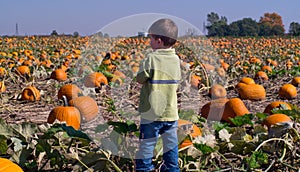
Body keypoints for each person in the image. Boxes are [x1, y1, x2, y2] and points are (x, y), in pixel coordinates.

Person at [135, 18, 181, 172]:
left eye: (151, 38)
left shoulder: (151, 58)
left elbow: (141, 79)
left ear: (159, 41)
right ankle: (172, 169)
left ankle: (144, 169)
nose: (149, 42)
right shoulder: (176, 60)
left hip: (151, 113)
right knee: (171, 145)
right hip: (171, 113)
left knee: (147, 144)